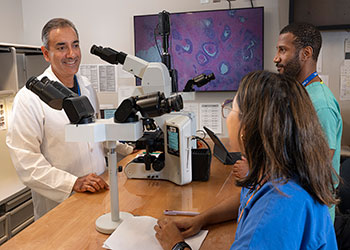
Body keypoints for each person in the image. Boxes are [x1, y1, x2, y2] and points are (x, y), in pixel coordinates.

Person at [154, 71, 338, 250]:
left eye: (231, 109)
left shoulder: (275, 210)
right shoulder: (280, 170)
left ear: (247, 128)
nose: (227, 117)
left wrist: (176, 245)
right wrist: (202, 219)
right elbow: (248, 198)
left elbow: (265, 213)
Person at [6, 18, 131, 220]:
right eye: (61, 47)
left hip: (100, 192)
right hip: (60, 205)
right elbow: (26, 161)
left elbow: (97, 134)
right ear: (46, 53)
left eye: (75, 45)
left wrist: (130, 149)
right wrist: (72, 182)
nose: (71, 54)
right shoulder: (29, 98)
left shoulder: (87, 87)